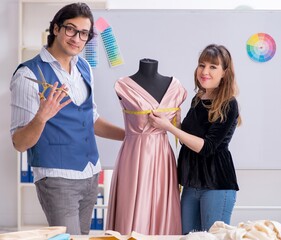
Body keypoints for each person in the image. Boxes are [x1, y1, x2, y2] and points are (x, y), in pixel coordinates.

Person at [10, 3, 124, 235]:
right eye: (71, 29)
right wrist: (41, 117)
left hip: (91, 172)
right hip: (57, 177)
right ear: (55, 29)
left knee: (81, 237)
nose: (77, 38)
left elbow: (90, 118)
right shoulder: (28, 75)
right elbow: (19, 143)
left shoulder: (83, 67)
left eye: (84, 33)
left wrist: (131, 135)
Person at [149, 44, 241, 234]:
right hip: (191, 184)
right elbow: (188, 141)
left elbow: (207, 147)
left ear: (224, 72)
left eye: (213, 67)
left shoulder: (229, 104)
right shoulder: (198, 99)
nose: (204, 71)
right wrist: (174, 122)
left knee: (213, 237)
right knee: (186, 237)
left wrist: (169, 128)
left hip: (216, 185)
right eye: (202, 65)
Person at [106, 58, 187, 235]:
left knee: (161, 206)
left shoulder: (175, 87)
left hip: (163, 155)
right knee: (132, 209)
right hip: (134, 156)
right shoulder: (123, 85)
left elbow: (178, 128)